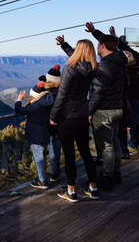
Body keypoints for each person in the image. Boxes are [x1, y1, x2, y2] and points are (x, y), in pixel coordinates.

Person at [50, 38, 98, 202]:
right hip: (83, 117)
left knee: (69, 156)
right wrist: (64, 45)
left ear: (78, 51)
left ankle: (71, 192)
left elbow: (61, 95)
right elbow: (80, 59)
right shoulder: (92, 68)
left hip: (67, 118)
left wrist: (53, 116)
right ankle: (93, 188)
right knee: (86, 153)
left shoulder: (69, 68)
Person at [85, 22, 128, 190]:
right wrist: (95, 32)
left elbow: (98, 92)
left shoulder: (105, 66)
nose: (97, 46)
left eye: (98, 44)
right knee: (114, 141)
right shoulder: (119, 61)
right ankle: (116, 174)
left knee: (107, 145)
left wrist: (90, 111)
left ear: (102, 46)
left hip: (105, 110)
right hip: (118, 107)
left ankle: (107, 177)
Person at [15, 81, 55, 189]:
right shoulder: (47, 103)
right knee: (44, 156)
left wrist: (19, 99)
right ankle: (47, 176)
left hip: (37, 137)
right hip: (45, 134)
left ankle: (42, 181)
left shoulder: (36, 107)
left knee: (39, 159)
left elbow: (18, 109)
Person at [44, 64, 62, 182]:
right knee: (57, 145)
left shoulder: (46, 93)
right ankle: (57, 168)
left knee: (52, 146)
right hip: (62, 122)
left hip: (50, 123)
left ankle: (54, 172)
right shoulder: (62, 90)